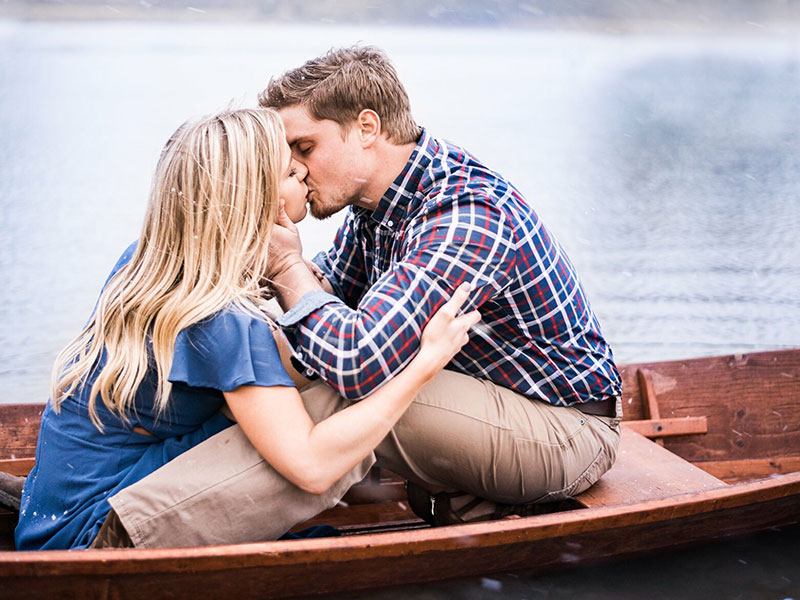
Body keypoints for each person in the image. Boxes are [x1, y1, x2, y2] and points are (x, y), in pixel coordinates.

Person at [13, 108, 479, 550]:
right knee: (332, 409)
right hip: (101, 538)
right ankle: (452, 504)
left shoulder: (154, 264)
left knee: (304, 392)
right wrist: (424, 364)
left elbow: (278, 364)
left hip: (47, 524)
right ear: (265, 203)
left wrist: (287, 274)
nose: (306, 176)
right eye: (294, 174)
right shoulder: (226, 318)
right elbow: (312, 467)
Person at [256, 45, 624, 524]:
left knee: (333, 396)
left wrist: (287, 267)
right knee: (272, 364)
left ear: (367, 129)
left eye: (304, 149)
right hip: (480, 401)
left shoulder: (466, 213)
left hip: (565, 428)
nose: (297, 170)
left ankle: (183, 529)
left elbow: (357, 362)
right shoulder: (376, 206)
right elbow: (324, 299)